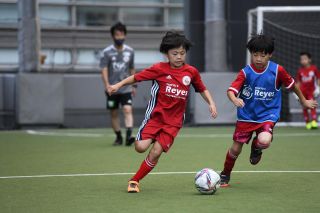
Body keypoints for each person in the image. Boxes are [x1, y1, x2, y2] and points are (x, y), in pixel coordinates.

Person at [107, 31, 218, 193]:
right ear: (166, 54)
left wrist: (211, 102)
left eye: (182, 53)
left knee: (156, 151)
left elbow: (202, 89)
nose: (179, 57)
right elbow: (136, 78)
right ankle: (152, 138)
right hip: (155, 118)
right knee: (140, 147)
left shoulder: (191, 72)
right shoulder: (159, 69)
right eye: (175, 54)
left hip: (174, 122)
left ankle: (134, 180)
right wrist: (117, 85)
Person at [220, 34, 318, 187]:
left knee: (264, 140)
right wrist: (234, 99)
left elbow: (293, 85)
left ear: (270, 54)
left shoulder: (278, 70)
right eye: (255, 55)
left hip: (268, 115)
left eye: (262, 55)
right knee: (235, 149)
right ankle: (225, 174)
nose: (258, 58)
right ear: (251, 54)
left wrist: (304, 100)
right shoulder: (245, 72)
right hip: (246, 117)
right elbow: (231, 90)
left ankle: (256, 148)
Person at [100, 22, 136, 146]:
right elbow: (104, 69)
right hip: (112, 88)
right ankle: (118, 137)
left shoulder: (130, 51)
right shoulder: (107, 52)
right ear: (113, 36)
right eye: (117, 35)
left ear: (125, 35)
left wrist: (134, 85)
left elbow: (132, 68)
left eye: (121, 35)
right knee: (114, 113)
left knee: (127, 109)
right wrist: (107, 85)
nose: (119, 37)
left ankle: (129, 136)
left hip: (126, 88)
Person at [296, 52, 320, 129]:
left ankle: (314, 121)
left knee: (312, 105)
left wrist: (318, 88)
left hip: (311, 91)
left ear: (309, 59)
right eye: (301, 59)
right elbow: (298, 82)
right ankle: (307, 122)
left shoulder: (314, 68)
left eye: (305, 59)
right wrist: (297, 93)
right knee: (304, 106)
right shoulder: (300, 71)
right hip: (303, 92)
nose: (303, 61)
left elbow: (318, 78)